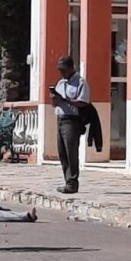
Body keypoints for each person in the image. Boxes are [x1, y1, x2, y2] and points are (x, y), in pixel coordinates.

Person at [51, 55, 90, 194]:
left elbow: (83, 102)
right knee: (62, 152)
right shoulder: (60, 83)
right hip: (60, 118)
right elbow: (54, 104)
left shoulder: (80, 82)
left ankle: (73, 182)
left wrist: (66, 100)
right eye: (60, 70)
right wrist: (54, 99)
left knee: (71, 151)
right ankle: (67, 180)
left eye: (64, 70)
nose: (61, 73)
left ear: (71, 68)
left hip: (72, 120)